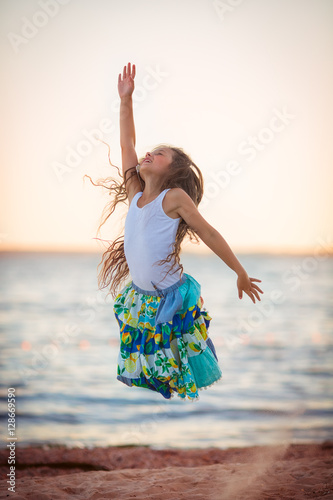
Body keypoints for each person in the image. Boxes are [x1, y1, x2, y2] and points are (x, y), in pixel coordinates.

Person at [88, 62, 263, 402]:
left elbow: (210, 234)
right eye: (151, 151)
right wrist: (126, 100)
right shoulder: (136, 193)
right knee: (151, 362)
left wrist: (240, 272)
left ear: (173, 171)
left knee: (186, 355)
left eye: (160, 154)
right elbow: (127, 143)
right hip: (143, 297)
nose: (149, 154)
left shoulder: (173, 198)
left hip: (171, 295)